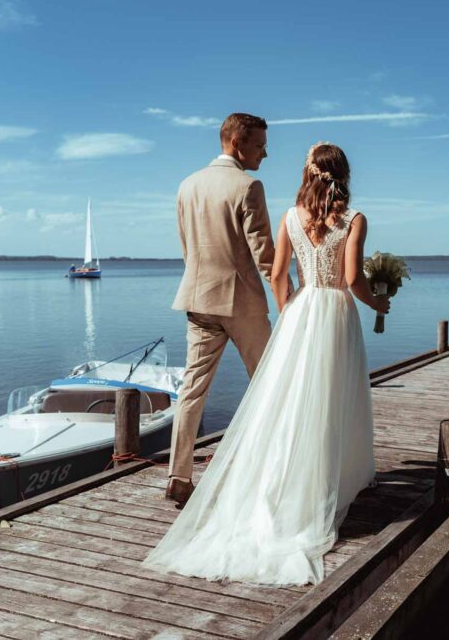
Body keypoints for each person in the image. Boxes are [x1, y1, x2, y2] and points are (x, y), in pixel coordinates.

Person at [144, 143, 389, 586]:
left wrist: (289, 311)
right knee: (335, 396)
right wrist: (380, 304)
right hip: (334, 312)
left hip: (300, 312)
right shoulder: (354, 219)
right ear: (344, 175)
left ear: (308, 173)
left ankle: (284, 483)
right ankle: (335, 478)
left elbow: (277, 275)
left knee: (294, 402)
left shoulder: (292, 217)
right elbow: (353, 280)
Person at [166, 113, 277, 507]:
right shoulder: (249, 186)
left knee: (191, 390)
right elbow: (264, 254)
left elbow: (186, 246)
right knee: (269, 384)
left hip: (197, 299)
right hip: (241, 303)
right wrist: (289, 296)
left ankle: (179, 474)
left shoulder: (187, 185)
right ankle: (268, 466)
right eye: (260, 145)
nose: (266, 152)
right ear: (237, 143)